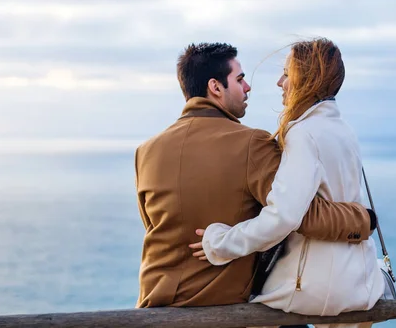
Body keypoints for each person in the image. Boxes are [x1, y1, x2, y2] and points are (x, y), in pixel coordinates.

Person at [135, 42, 376, 310]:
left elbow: (156, 226)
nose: (248, 87)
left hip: (153, 309)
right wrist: (364, 218)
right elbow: (301, 215)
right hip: (222, 309)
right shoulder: (252, 144)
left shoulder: (146, 152)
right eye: (239, 80)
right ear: (216, 87)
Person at [193, 39, 385, 328]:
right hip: (360, 283)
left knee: (241, 309)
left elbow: (283, 216)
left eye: (287, 73)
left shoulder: (303, 133)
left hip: (317, 288)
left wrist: (220, 242)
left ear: (306, 78)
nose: (280, 82)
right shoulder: (344, 130)